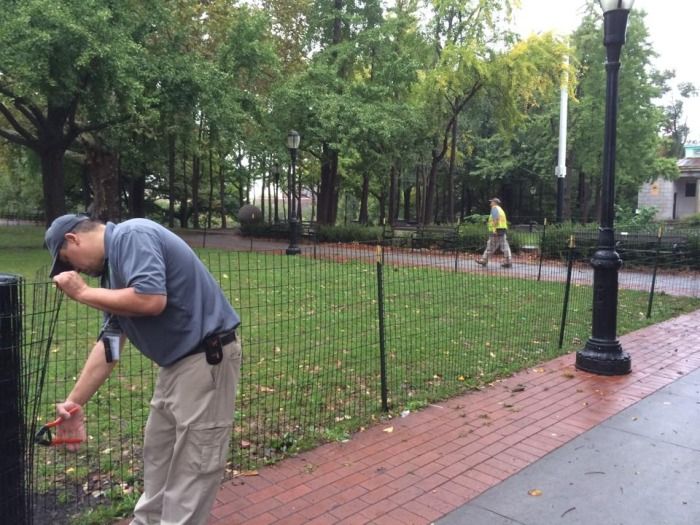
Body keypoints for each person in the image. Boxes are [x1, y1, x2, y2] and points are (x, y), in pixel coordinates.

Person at [44, 213, 242, 525]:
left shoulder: (132, 234)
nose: (75, 270)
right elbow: (109, 345)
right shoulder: (112, 276)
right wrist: (74, 403)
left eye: (69, 261)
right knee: (158, 454)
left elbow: (151, 299)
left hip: (205, 360)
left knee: (194, 465)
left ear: (73, 239)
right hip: (175, 366)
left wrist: (82, 293)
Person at [476, 197, 512, 268]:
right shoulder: (501, 210)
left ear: (495, 203)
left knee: (491, 245)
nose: (490, 203)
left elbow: (496, 219)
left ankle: (484, 260)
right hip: (502, 230)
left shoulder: (494, 208)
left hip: (496, 230)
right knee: (505, 246)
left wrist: (494, 229)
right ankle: (508, 261)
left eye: (491, 202)